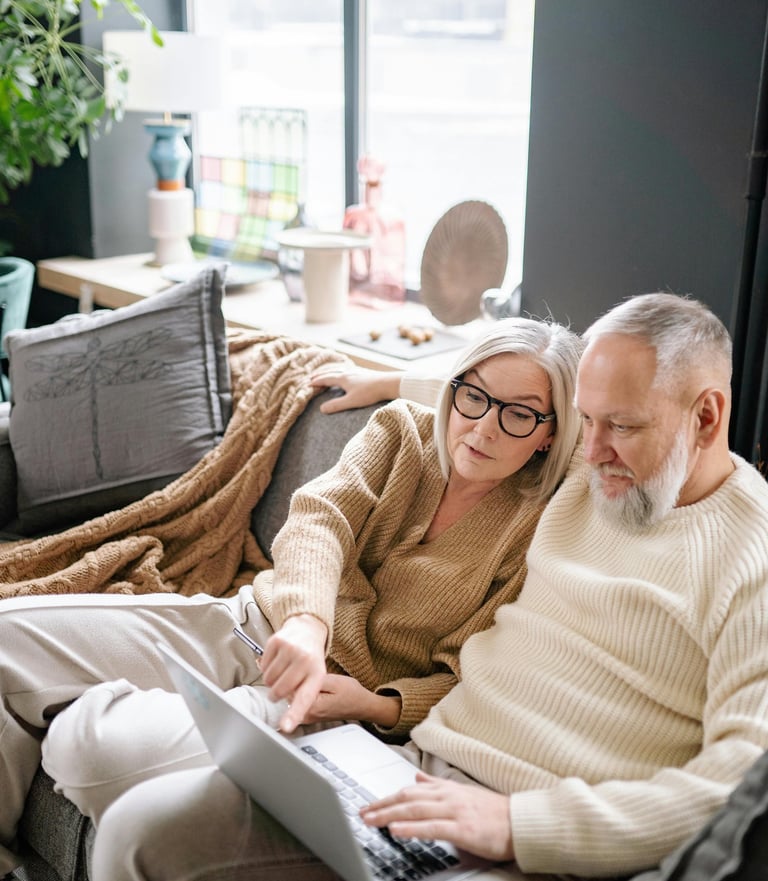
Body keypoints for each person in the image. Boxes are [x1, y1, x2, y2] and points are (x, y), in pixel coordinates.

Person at [85, 291, 768, 881]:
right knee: (139, 831)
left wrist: (519, 823)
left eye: (618, 425)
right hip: (410, 768)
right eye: (586, 421)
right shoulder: (597, 472)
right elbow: (501, 399)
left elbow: (739, 786)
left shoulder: (751, 557)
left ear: (706, 417)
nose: (589, 453)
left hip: (535, 844)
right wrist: (391, 379)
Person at [0, 316, 584, 879]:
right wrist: (307, 622)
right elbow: (319, 518)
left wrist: (378, 706)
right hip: (250, 623)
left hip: (324, 703)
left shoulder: (542, 527)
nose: (482, 427)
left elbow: (473, 675)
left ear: (552, 432)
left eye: (519, 416)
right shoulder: (403, 429)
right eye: (473, 397)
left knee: (92, 748)